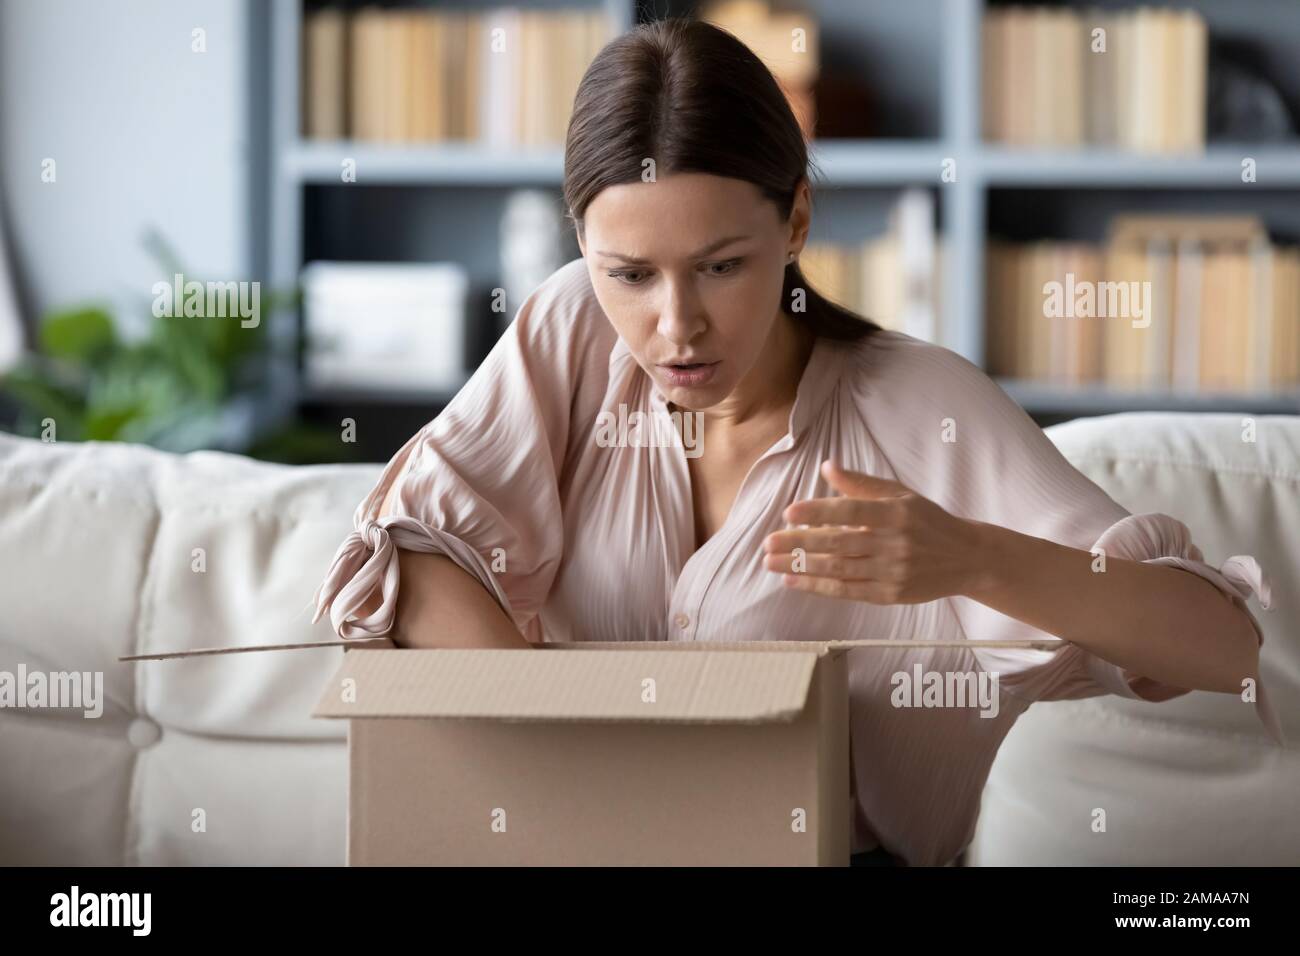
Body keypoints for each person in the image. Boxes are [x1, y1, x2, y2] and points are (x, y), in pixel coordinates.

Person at [312, 18, 1282, 867]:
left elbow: (1221, 644)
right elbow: (410, 556)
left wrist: (969, 554)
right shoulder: (571, 327)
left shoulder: (914, 403)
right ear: (582, 249)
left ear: (798, 221)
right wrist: (580, 760)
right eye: (629, 273)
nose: (674, 324)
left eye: (721, 265)